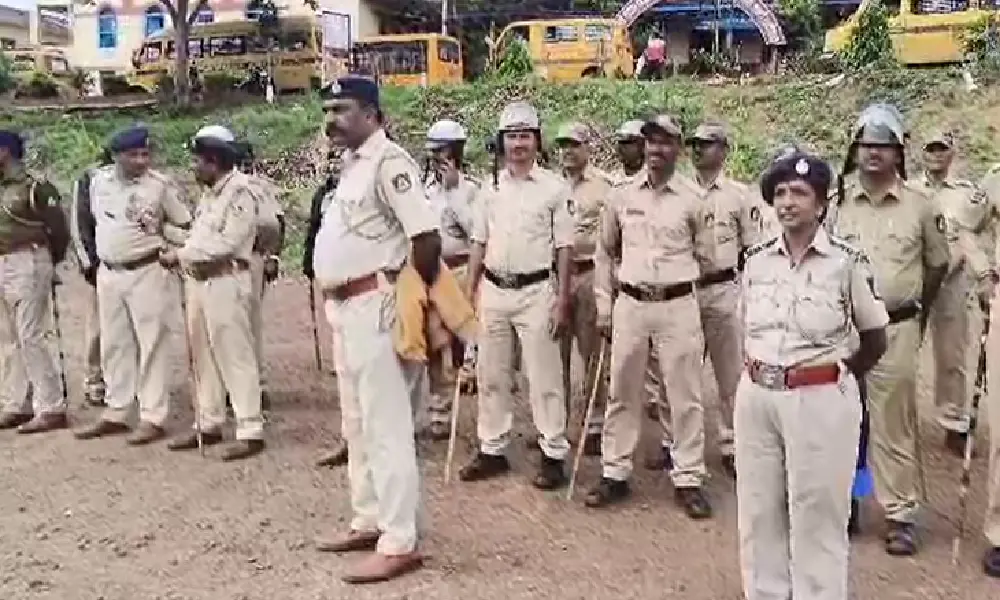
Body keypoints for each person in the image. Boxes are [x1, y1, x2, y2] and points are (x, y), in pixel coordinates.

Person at [737, 150, 888, 600]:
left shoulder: (845, 262)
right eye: (780, 193)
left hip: (819, 397)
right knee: (760, 511)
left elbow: (875, 336)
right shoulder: (757, 260)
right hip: (759, 395)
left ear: (821, 204)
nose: (787, 202)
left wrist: (837, 375)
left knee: (818, 514)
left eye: (799, 193)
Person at [310, 76, 437, 584]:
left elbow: (424, 239)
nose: (332, 118)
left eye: (342, 108)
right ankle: (370, 518)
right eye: (328, 108)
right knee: (357, 423)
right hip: (346, 306)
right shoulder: (351, 167)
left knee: (386, 428)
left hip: (378, 303)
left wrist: (411, 302)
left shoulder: (391, 163)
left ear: (372, 112)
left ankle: (400, 539)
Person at [828, 103, 950, 556]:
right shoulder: (836, 201)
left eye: (884, 145)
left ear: (900, 154)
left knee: (892, 423)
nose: (874, 153)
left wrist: (916, 312)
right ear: (855, 150)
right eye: (866, 144)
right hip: (844, 331)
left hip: (896, 326)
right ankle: (846, 503)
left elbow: (938, 264)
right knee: (841, 420)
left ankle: (899, 514)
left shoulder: (921, 206)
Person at [585, 114, 714, 519]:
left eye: (666, 142)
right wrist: (604, 304)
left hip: (677, 304)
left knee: (684, 394)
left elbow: (707, 256)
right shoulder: (621, 195)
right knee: (622, 388)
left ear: (678, 148)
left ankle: (688, 477)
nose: (657, 149)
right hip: (631, 304)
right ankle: (615, 471)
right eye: (651, 142)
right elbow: (605, 251)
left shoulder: (694, 198)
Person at [458, 100, 574, 490]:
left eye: (525, 135)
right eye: (511, 136)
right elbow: (478, 242)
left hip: (537, 291)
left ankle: (553, 452)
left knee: (544, 376)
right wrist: (468, 291)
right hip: (494, 289)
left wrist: (563, 298)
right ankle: (492, 447)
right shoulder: (488, 189)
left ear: (537, 141)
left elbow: (564, 248)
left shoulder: (555, 188)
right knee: (492, 373)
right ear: (501, 142)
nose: (518, 144)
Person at [72, 126, 192, 445]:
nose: (141, 160)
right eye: (133, 155)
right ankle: (117, 410)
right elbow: (89, 222)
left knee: (152, 342)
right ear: (116, 156)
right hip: (109, 272)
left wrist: (163, 234)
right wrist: (91, 264)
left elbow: (186, 225)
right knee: (114, 343)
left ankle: (153, 415)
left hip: (147, 269)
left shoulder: (159, 186)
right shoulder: (98, 183)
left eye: (145, 154)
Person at [161, 125, 264, 462]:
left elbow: (227, 243)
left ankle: (250, 428)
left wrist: (181, 255)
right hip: (199, 281)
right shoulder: (210, 194)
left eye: (198, 161)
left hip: (226, 279)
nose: (193, 167)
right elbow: (198, 238)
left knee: (234, 354)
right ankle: (209, 421)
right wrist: (169, 237)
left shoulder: (241, 193)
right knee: (201, 355)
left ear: (215, 161)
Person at [688, 120, 766, 478]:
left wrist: (747, 295)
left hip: (723, 288)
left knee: (730, 372)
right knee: (682, 372)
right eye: (695, 144)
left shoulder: (739, 195)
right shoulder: (680, 190)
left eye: (706, 144)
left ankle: (732, 443)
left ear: (723, 150)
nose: (698, 150)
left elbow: (751, 248)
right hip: (685, 290)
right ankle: (679, 445)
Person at [918, 131, 993, 456]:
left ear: (952, 153)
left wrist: (981, 273)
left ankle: (953, 423)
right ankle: (898, 420)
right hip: (915, 281)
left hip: (952, 283)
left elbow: (976, 232)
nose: (936, 154)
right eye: (931, 148)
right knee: (899, 350)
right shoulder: (909, 189)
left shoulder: (967, 195)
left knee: (952, 356)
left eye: (942, 149)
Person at [0, 129, 70, 434]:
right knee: (10, 338)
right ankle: (16, 403)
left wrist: (49, 262)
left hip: (29, 257)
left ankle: (51, 405)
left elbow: (59, 229)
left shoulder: (35, 188)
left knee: (31, 334)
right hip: (3, 260)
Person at [554, 121, 612, 456]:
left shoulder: (604, 187)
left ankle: (594, 424)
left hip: (589, 273)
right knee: (554, 354)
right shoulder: (550, 187)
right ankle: (555, 424)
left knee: (591, 354)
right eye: (563, 145)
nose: (568, 151)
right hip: (555, 275)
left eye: (574, 144)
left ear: (588, 147)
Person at [422, 118, 479, 441]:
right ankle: (438, 412)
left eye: (444, 152)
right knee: (433, 344)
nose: (438, 158)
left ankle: (480, 420)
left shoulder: (471, 190)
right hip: (431, 271)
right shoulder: (424, 189)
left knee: (463, 347)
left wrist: (454, 192)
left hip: (460, 270)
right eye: (434, 152)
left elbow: (476, 233)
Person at [237, 140, 284, 412]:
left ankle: (257, 384)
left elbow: (278, 223)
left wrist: (273, 257)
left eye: (248, 160)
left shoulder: (261, 188)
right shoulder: (220, 188)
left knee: (250, 322)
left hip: (253, 257)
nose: (246, 165)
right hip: (223, 260)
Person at [71, 147, 114, 408]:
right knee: (98, 327)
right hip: (100, 264)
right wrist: (89, 264)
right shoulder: (88, 180)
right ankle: (95, 379)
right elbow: (80, 224)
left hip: (133, 267)